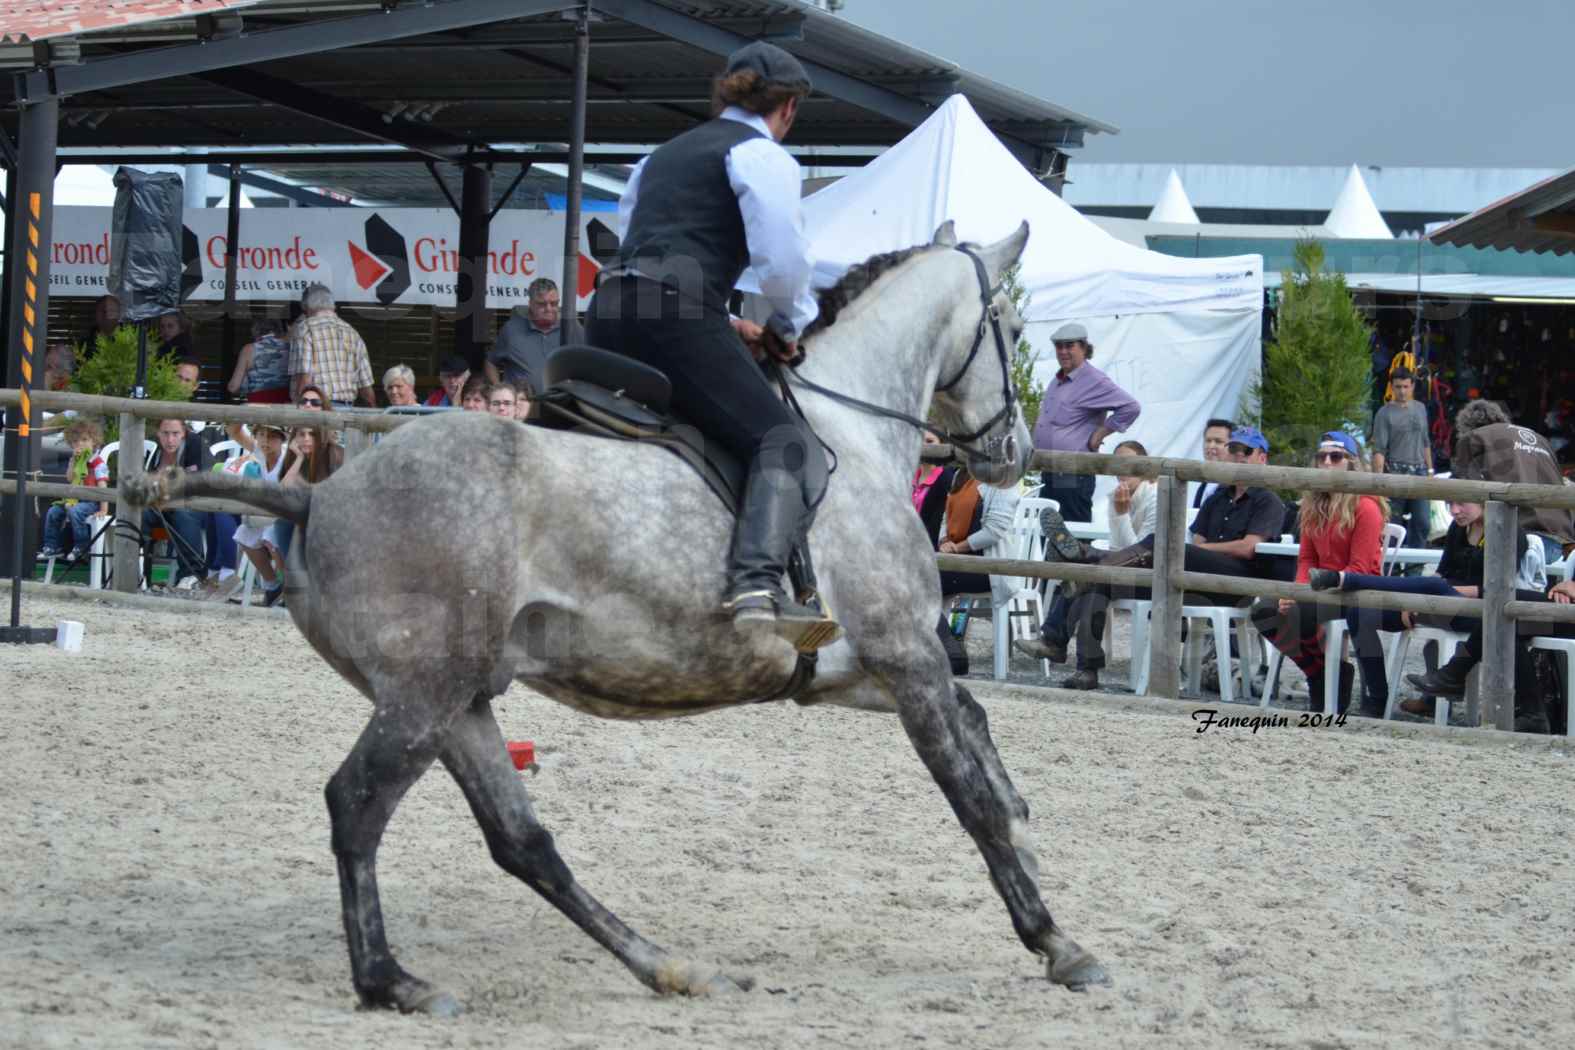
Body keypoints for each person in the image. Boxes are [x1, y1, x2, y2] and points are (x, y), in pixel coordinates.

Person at [584, 40, 836, 649]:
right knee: (785, 442)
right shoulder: (762, 156)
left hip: (610, 307)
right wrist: (785, 325)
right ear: (789, 109)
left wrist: (728, 324)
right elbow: (782, 261)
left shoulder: (658, 157)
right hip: (675, 316)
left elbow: (648, 251)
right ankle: (755, 583)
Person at [1017, 426, 1285, 691]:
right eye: (1233, 449)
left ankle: (1086, 557)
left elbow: (1248, 548)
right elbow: (1199, 543)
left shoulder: (1267, 499)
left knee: (1156, 544)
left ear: (1262, 458)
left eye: (1246, 451)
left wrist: (1190, 551)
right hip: (1185, 575)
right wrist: (1191, 551)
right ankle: (1083, 665)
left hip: (1233, 584)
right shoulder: (1217, 499)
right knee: (1102, 582)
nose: (1238, 456)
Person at [1311, 497, 1530, 720]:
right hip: (1436, 602)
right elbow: (1442, 571)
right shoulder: (1458, 528)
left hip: (1479, 611)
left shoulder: (1510, 532)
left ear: (1483, 501)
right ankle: (1377, 698)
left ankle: (1346, 579)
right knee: (1359, 612)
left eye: (1462, 503)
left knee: (1433, 585)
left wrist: (1427, 598)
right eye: (1450, 505)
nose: (1454, 511)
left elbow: (1495, 591)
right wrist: (1417, 600)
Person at [1248, 431, 1388, 716]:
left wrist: (1306, 595)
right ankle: (1322, 673)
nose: (1326, 462)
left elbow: (1359, 570)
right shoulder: (1313, 505)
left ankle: (1328, 677)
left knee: (1301, 613)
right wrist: (1297, 592)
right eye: (1321, 456)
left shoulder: (1366, 507)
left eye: (1335, 457)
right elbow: (1307, 559)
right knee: (1264, 610)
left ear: (1351, 463)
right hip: (1320, 588)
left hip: (1358, 589)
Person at [1029, 322, 1140, 523]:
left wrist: (1100, 433)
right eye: (1059, 346)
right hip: (1050, 469)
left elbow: (1131, 407)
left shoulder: (1094, 380)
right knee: (1050, 535)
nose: (1063, 351)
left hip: (1072, 471)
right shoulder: (1058, 379)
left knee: (1073, 537)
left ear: (1083, 347)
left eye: (1069, 345)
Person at [1451, 399, 1574, 561]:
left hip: (1515, 543)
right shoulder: (1540, 439)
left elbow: (1462, 487)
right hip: (1559, 544)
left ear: (1466, 426)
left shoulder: (1474, 438)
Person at [1370, 367, 1432, 568]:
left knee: (1423, 523)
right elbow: (1379, 448)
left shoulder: (1421, 408)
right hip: (1394, 472)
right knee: (1393, 527)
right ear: (1392, 387)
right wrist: (1377, 482)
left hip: (1420, 472)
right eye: (1398, 387)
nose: (1402, 391)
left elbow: (1426, 442)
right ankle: (1391, 570)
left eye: (1406, 386)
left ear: (1412, 386)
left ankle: (1415, 570)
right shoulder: (1384, 413)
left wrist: (1431, 471)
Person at [143, 418, 211, 587]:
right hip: (163, 505)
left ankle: (192, 573)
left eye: (175, 434)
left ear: (184, 433)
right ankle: (138, 571)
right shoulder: (157, 450)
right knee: (140, 513)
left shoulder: (196, 444)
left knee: (183, 513)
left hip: (196, 504)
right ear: (158, 434)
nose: (170, 439)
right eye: (165, 434)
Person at [230, 422, 291, 608]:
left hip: (287, 515)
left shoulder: (289, 457)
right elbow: (234, 431)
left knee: (271, 534)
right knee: (244, 533)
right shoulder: (260, 453)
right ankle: (273, 585)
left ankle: (289, 589)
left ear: (281, 439)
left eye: (272, 436)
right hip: (269, 514)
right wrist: (247, 412)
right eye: (262, 435)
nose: (265, 441)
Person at [488, 278, 579, 396]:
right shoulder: (511, 330)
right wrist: (500, 391)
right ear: (530, 304)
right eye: (542, 304)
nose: (549, 309)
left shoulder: (572, 329)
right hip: (521, 408)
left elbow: (588, 364)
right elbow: (490, 363)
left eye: (554, 303)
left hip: (561, 407)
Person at [289, 283, 375, 407]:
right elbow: (366, 387)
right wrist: (374, 413)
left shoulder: (305, 329)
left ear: (306, 307)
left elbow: (305, 378)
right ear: (332, 306)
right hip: (347, 408)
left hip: (317, 408)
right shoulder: (352, 332)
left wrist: (299, 408)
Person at [40, 418, 109, 561]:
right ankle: (52, 546)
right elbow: (70, 478)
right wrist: (72, 462)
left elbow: (103, 487)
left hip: (91, 501)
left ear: (94, 442)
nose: (80, 444)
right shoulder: (76, 461)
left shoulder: (97, 463)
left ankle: (82, 546)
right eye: (76, 441)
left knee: (75, 511)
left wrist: (104, 509)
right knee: (54, 511)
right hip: (74, 499)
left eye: (84, 440)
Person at [228, 318, 293, 404]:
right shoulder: (291, 347)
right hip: (285, 405)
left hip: (258, 404)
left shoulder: (249, 349)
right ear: (280, 331)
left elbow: (233, 387)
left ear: (255, 332)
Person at [1193, 418, 1234, 510]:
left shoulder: (1236, 486)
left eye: (1218, 441)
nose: (1211, 446)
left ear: (1232, 447)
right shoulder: (1203, 485)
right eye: (1208, 440)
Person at [78, 293, 122, 360]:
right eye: (102, 310)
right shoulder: (85, 342)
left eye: (111, 310)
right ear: (96, 313)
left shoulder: (129, 340)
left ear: (119, 314)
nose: (106, 315)